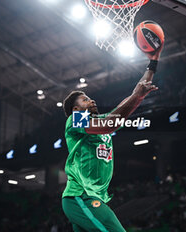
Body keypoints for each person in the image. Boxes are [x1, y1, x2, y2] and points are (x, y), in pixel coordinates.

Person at [61, 47, 163, 232]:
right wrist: (136, 97)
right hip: (81, 197)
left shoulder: (100, 120)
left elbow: (132, 96)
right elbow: (111, 123)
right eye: (85, 100)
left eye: (90, 98)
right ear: (76, 109)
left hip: (93, 197)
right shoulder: (74, 120)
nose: (91, 101)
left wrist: (153, 63)